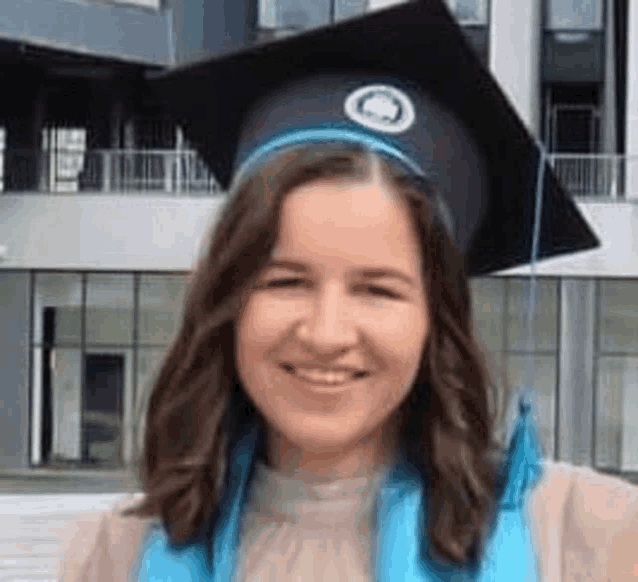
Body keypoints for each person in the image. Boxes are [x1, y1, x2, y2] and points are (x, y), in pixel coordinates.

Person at [58, 1, 638, 581]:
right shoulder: (115, 556)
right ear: (226, 298)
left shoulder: (580, 536)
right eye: (285, 281)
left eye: (377, 290)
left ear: (436, 318)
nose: (326, 333)